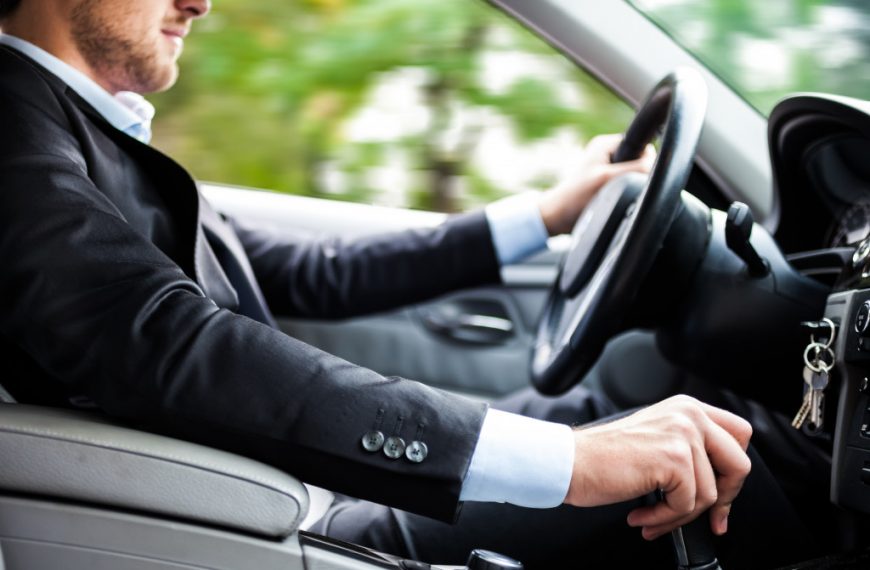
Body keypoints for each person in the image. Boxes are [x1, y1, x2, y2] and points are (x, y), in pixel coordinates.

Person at [0, 0, 763, 566]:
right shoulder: (13, 125)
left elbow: (315, 273)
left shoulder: (82, 126)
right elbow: (152, 338)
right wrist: (571, 464)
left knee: (626, 417)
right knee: (743, 478)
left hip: (296, 489)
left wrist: (548, 213)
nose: (201, 2)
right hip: (277, 519)